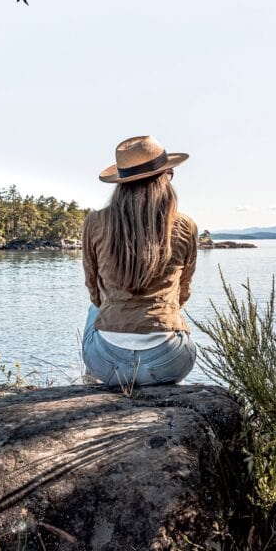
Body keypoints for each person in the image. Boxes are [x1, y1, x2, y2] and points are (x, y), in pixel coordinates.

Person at [81, 135, 199, 387]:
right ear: (164, 177)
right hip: (169, 361)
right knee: (174, 314)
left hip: (107, 363)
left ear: (121, 183)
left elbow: (94, 291)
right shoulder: (184, 225)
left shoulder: (95, 223)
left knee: (95, 310)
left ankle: (94, 383)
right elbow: (183, 293)